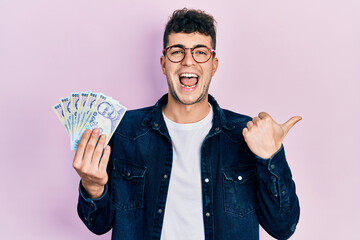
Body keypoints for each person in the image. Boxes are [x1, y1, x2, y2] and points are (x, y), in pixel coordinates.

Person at [73, 8, 301, 240]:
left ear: (214, 65)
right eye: (177, 51)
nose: (188, 61)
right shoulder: (123, 131)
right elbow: (99, 225)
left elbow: (282, 228)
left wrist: (271, 157)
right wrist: (93, 187)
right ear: (163, 64)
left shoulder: (247, 135)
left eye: (200, 52)